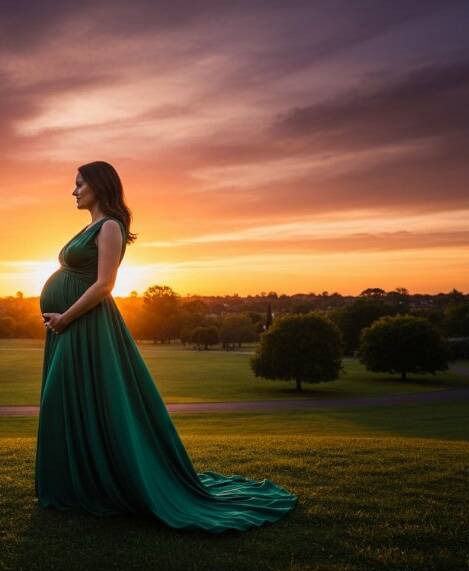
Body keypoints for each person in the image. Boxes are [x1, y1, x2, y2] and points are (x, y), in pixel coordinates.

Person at [35, 160, 298, 533]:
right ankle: (78, 484)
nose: (73, 191)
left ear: (98, 185)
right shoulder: (91, 226)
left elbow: (105, 285)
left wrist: (67, 317)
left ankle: (101, 481)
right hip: (69, 325)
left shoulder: (110, 226)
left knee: (73, 396)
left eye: (79, 184)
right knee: (66, 399)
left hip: (85, 325)